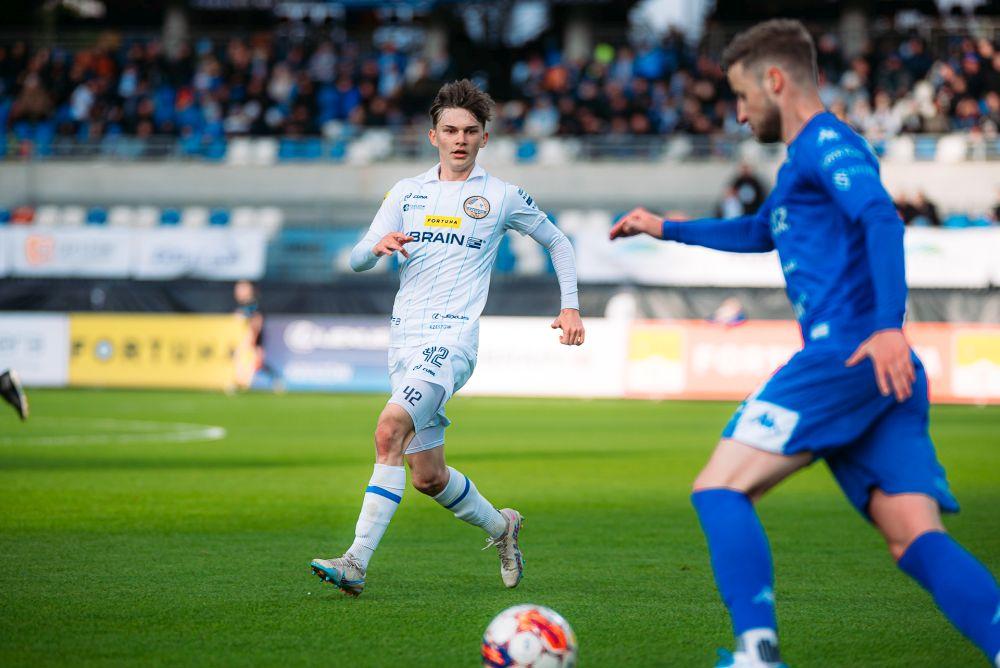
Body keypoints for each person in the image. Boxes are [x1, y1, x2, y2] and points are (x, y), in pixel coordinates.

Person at [609, 19, 999, 668]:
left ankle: (756, 654)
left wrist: (885, 328)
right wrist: (666, 227)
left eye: (740, 97)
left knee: (719, 489)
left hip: (847, 355)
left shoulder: (827, 144)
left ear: (775, 80)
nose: (738, 114)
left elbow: (879, 215)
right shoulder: (797, 166)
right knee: (912, 538)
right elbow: (762, 232)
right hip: (874, 371)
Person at [311, 80, 585, 596]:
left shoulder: (501, 197)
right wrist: (378, 248)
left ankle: (355, 561)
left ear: (485, 138)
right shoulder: (407, 192)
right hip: (404, 342)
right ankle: (502, 528)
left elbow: (557, 241)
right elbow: (355, 258)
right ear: (432, 135)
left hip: (451, 342)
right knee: (427, 477)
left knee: (388, 430)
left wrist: (569, 304)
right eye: (451, 130)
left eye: (471, 131)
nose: (460, 139)